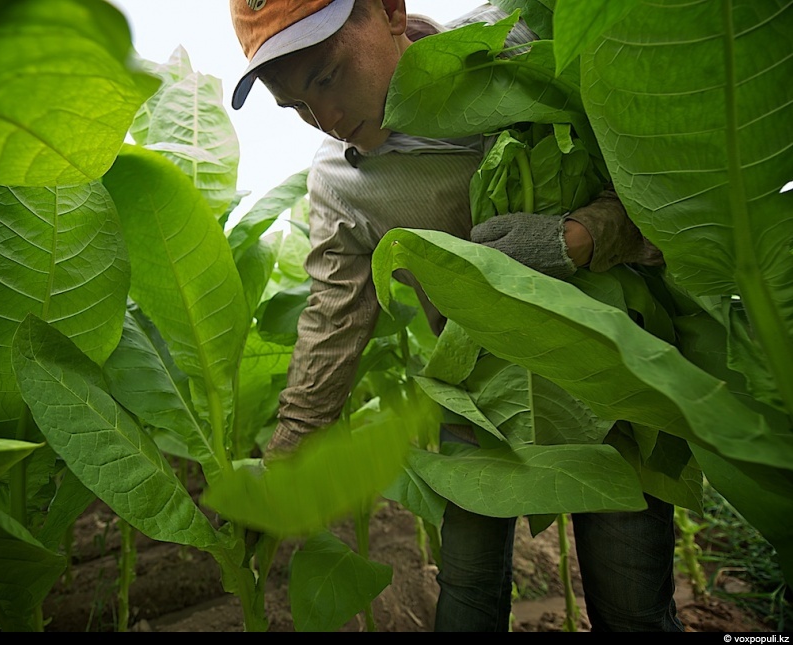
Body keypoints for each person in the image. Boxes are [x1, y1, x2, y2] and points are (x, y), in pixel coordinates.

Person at [228, 0, 682, 632]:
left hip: (612, 377)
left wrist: (575, 238)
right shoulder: (339, 185)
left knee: (631, 605)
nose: (325, 119)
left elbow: (664, 182)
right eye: (297, 107)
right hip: (479, 400)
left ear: (389, 11)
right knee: (467, 594)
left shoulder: (517, 44)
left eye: (327, 78)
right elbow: (330, 330)